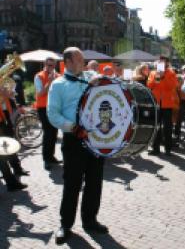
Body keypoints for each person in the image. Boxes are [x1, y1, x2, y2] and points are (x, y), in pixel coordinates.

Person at [47, 47, 108, 245]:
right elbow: (53, 114)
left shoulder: (89, 75)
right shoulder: (58, 85)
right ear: (68, 62)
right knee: (72, 183)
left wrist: (99, 79)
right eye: (80, 59)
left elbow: (103, 79)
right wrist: (72, 127)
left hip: (96, 138)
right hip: (74, 139)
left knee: (94, 181)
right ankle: (65, 225)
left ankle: (90, 221)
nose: (83, 62)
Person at [147, 56, 179, 156]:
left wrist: (163, 77)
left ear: (167, 63)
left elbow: (171, 86)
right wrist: (157, 76)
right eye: (159, 61)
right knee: (156, 127)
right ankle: (155, 148)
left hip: (167, 104)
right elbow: (150, 86)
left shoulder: (171, 73)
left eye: (163, 61)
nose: (161, 63)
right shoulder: (153, 73)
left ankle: (168, 149)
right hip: (156, 103)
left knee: (167, 127)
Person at [34, 58, 60, 170]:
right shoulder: (39, 76)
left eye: (53, 65)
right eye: (49, 65)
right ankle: (46, 159)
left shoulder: (58, 76)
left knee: (54, 133)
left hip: (54, 108)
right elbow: (40, 94)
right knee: (48, 133)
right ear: (45, 64)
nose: (51, 67)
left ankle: (51, 156)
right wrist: (49, 82)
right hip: (43, 108)